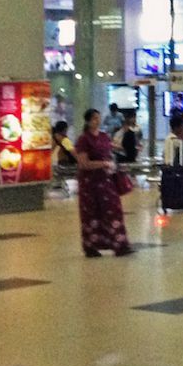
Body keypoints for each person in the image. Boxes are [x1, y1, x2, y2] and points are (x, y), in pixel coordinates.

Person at [73, 109, 134, 258]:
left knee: (113, 209)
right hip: (90, 184)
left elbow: (111, 150)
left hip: (106, 180)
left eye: (98, 118)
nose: (97, 121)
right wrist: (103, 164)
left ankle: (119, 243)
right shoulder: (83, 140)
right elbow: (83, 164)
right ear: (87, 121)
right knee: (92, 212)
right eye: (94, 119)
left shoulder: (104, 136)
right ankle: (91, 245)